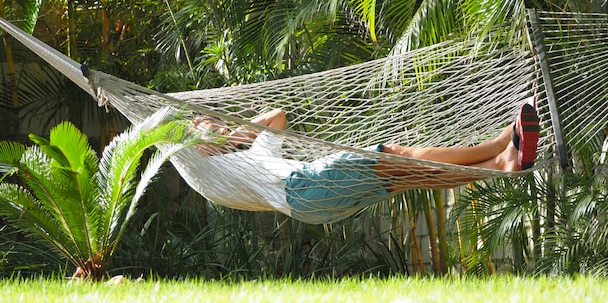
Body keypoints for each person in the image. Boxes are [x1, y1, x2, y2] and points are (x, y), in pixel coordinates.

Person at [190, 104, 539, 224]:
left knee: (411, 176)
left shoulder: (252, 157)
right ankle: (497, 145)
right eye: (203, 125)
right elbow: (174, 136)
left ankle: (497, 165)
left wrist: (233, 137)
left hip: (310, 205)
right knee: (398, 156)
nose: (208, 123)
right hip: (304, 185)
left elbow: (277, 117)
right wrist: (207, 139)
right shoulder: (202, 169)